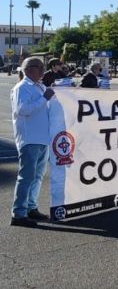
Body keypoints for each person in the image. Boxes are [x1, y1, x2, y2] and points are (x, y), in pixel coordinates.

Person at [10, 57, 55, 227]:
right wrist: (45, 98)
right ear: (28, 69)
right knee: (26, 177)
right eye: (40, 67)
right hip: (30, 139)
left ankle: (31, 207)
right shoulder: (22, 88)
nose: (43, 71)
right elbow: (23, 110)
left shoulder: (40, 86)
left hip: (42, 138)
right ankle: (19, 213)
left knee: (36, 177)